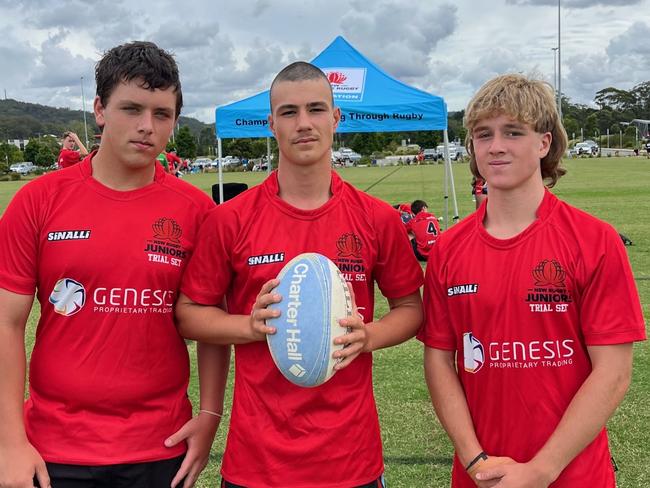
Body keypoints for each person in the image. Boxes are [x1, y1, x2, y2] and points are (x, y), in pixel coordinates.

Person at [176, 61, 424, 488]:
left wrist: (370, 336)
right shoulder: (231, 220)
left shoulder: (377, 219)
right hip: (257, 462)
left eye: (316, 109)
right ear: (271, 123)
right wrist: (250, 326)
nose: (304, 124)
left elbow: (410, 308)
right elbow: (189, 313)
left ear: (336, 118)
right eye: (289, 112)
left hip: (351, 459)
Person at [0, 41, 228, 488]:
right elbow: (6, 324)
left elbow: (210, 320)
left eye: (161, 114)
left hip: (160, 448)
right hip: (52, 449)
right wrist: (9, 441)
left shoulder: (198, 211)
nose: (146, 127)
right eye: (131, 109)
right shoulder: (38, 201)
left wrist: (210, 415)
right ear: (100, 109)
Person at [419, 74, 645, 487]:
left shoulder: (595, 240)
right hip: (480, 476)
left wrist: (541, 470)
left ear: (544, 143)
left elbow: (613, 371)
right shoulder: (448, 249)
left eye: (513, 132)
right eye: (483, 134)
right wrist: (476, 462)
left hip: (574, 475)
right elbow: (438, 360)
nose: (496, 146)